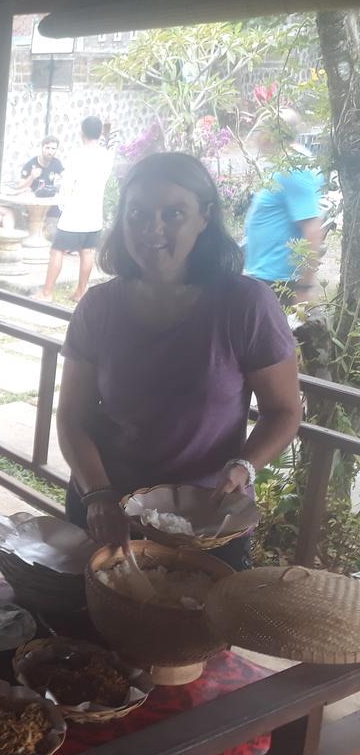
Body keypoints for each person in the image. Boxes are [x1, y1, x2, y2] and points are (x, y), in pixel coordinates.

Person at [56, 153, 302, 571]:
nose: (153, 228)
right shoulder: (98, 307)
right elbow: (72, 416)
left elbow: (284, 411)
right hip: (107, 510)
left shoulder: (245, 305)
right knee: (84, 630)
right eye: (138, 213)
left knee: (193, 631)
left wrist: (244, 467)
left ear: (204, 217)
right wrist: (97, 494)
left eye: (174, 213)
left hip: (207, 520)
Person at [243, 111, 325, 304]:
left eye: (258, 131)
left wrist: (304, 288)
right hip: (266, 278)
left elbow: (312, 229)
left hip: (281, 284)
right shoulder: (282, 164)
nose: (255, 138)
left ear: (269, 135)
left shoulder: (294, 168)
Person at [38, 116, 113, 302]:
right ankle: (80, 292)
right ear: (100, 132)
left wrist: (62, 204)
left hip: (74, 214)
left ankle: (47, 292)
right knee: (86, 252)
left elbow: (68, 184)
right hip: (94, 213)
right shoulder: (106, 155)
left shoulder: (77, 154)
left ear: (81, 132)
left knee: (57, 251)